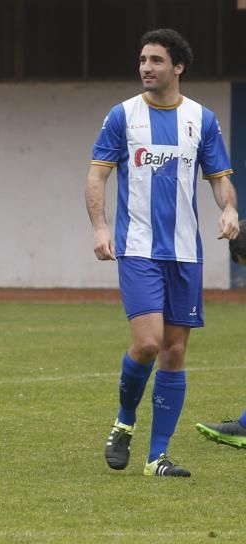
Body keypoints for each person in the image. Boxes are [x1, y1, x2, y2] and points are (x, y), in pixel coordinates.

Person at [85, 28, 238, 477]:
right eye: (142, 60)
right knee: (148, 343)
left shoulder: (202, 119)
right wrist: (100, 227)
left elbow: (219, 178)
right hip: (138, 249)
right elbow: (97, 176)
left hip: (186, 253)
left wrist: (229, 209)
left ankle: (157, 458)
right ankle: (124, 421)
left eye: (155, 60)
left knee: (174, 352)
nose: (145, 68)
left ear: (178, 66)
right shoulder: (122, 116)